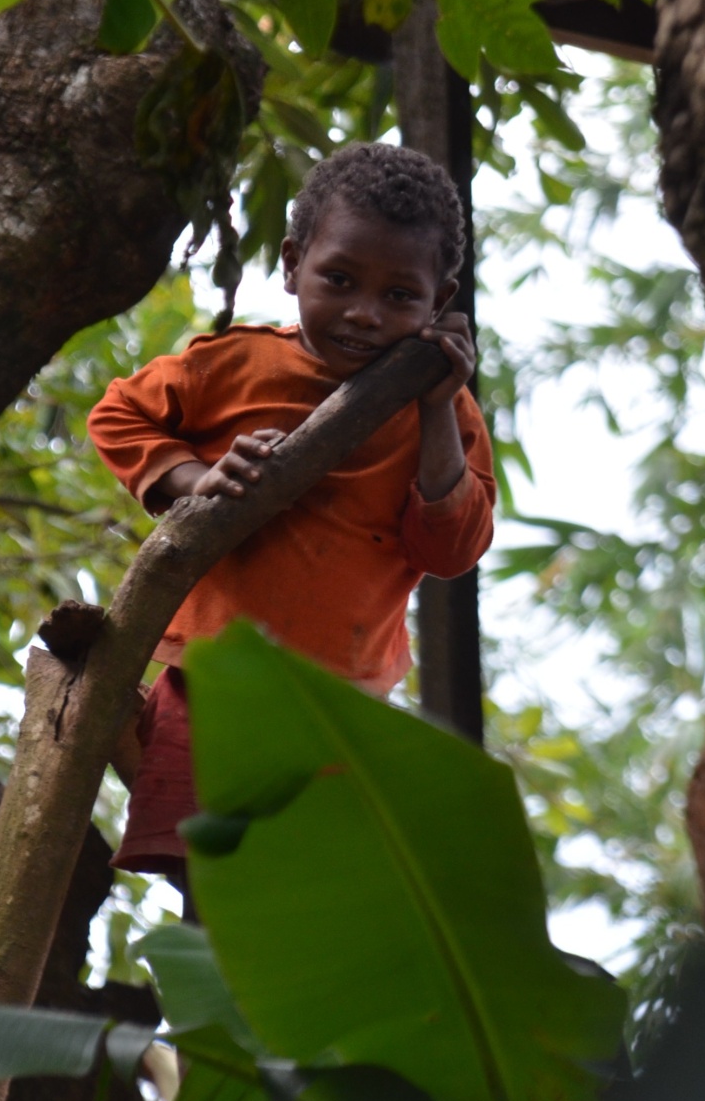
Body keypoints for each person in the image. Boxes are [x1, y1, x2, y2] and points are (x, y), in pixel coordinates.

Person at [88, 141, 496, 886]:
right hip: (214, 680)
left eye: (400, 296)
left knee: (307, 897)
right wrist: (196, 477)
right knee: (213, 888)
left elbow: (451, 548)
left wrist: (437, 408)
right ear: (291, 263)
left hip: (342, 703)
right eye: (338, 279)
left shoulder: (444, 407)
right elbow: (119, 415)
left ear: (440, 302)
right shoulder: (236, 363)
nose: (364, 314)